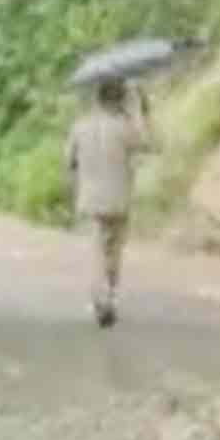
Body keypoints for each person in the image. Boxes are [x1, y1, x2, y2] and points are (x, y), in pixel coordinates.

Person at [66, 78, 156, 328]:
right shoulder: (124, 127)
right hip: (118, 198)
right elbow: (148, 144)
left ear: (97, 99)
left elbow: (69, 163)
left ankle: (101, 298)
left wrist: (74, 188)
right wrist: (141, 110)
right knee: (114, 251)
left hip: (89, 198)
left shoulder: (79, 127)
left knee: (95, 251)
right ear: (119, 101)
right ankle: (111, 297)